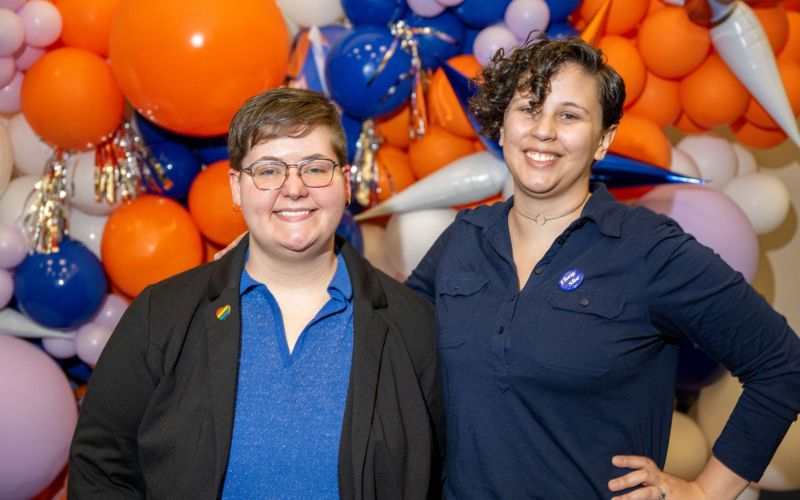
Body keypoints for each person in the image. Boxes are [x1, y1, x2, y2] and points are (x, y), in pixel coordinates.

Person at [405, 37, 800, 499]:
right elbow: (390, 339)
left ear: (603, 140)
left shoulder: (649, 250)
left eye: (569, 115)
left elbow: (782, 364)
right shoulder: (464, 237)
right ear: (502, 125)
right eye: (528, 109)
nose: (544, 131)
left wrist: (705, 492)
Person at [68, 88, 445, 499]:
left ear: (345, 181)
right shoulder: (162, 315)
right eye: (268, 171)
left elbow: (443, 474)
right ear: (235, 187)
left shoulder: (412, 326)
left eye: (316, 168)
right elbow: (100, 466)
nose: (294, 189)